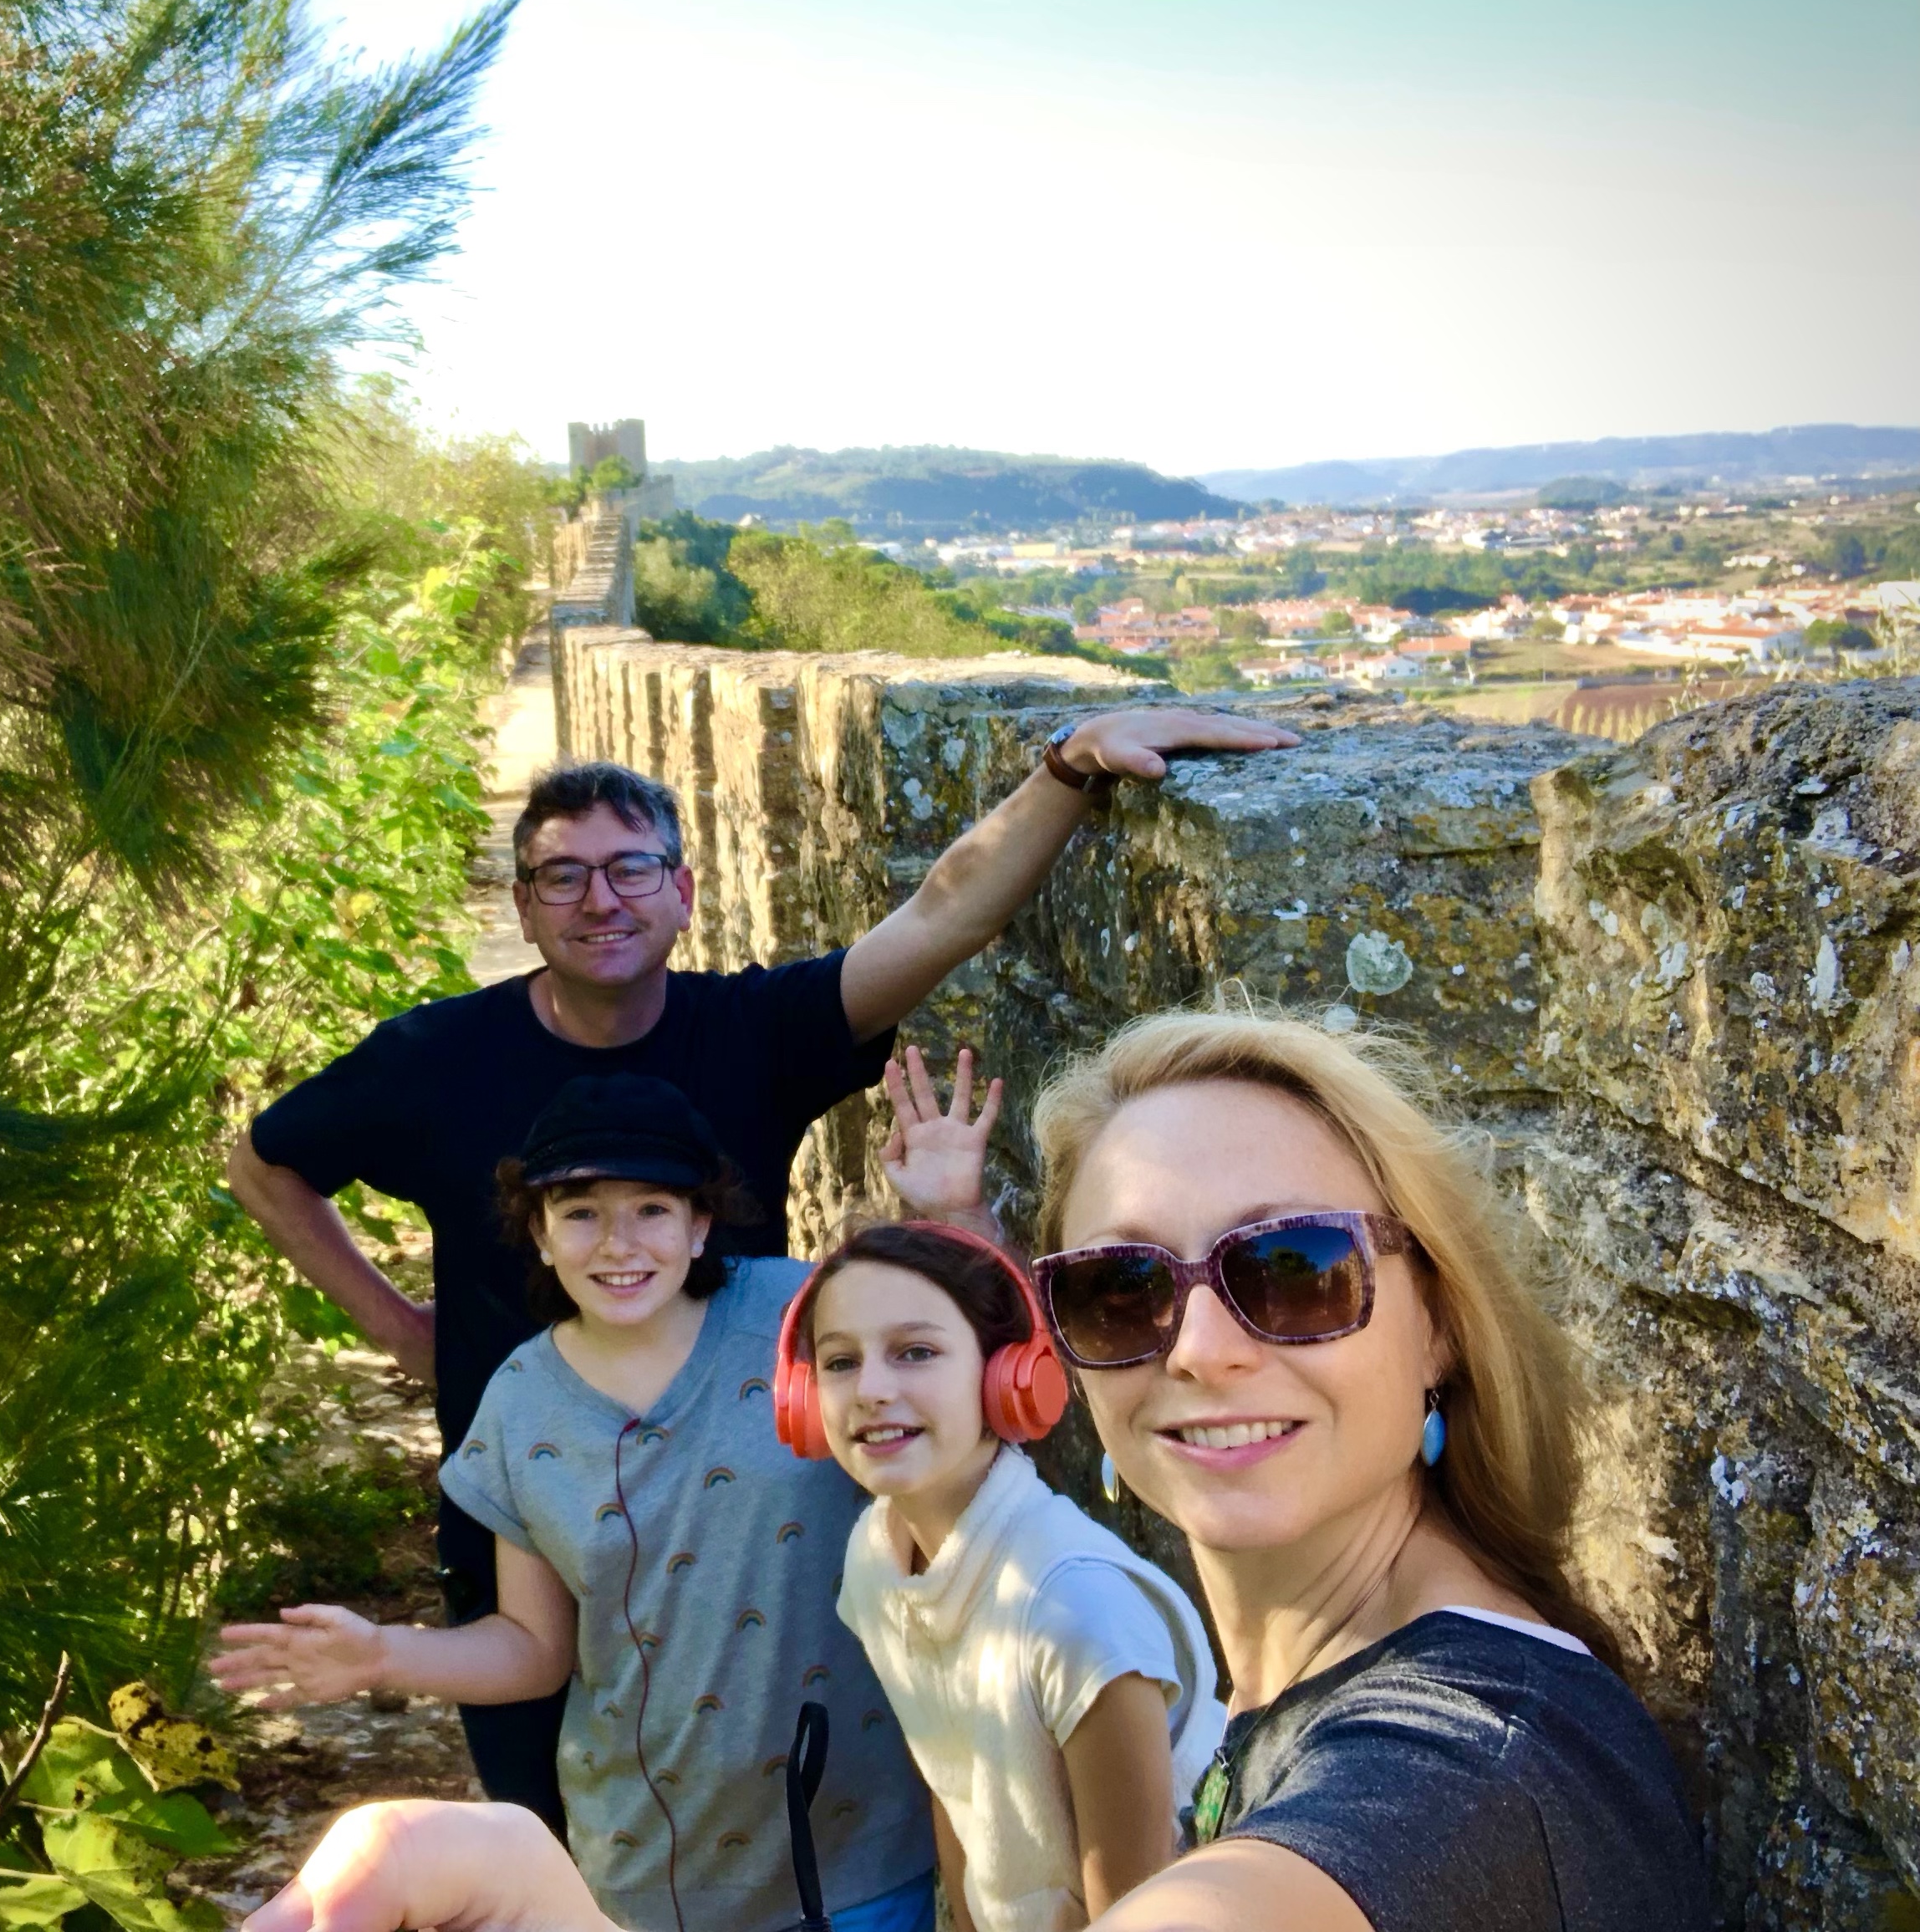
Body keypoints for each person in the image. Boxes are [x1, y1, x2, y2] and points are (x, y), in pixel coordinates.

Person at [236, 1007, 1714, 1932]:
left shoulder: (1463, 1768)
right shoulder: (1285, 1683)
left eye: (1293, 1269)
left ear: (1442, 1321)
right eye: (1124, 1291)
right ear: (1062, 1348)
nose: (1196, 1347)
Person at [230, 711, 1296, 1823]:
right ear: (522, 907)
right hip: (533, 1513)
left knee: (779, 1814)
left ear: (685, 892)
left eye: (632, 869)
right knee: (548, 1830)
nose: (601, 901)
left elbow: (942, 914)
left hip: (755, 1530)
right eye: (563, 877)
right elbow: (266, 1166)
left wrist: (1068, 766)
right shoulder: (430, 1063)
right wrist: (400, 1325)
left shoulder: (753, 1030)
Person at [212, 1073, 949, 1932]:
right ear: (539, 1232)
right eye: (581, 1211)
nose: (618, 1243)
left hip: (861, 1856)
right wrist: (381, 1656)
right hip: (643, 1873)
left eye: (651, 1208)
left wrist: (956, 1219)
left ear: (699, 1221)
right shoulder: (518, 1406)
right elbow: (533, 1648)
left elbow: (959, 1384)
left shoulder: (807, 1316)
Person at [795, 1058, 1222, 1932]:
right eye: (840, 1362)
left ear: (1008, 1381)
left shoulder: (1076, 1608)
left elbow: (1135, 1905)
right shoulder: (876, 1559)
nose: (872, 1388)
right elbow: (952, 1786)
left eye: (915, 1352)